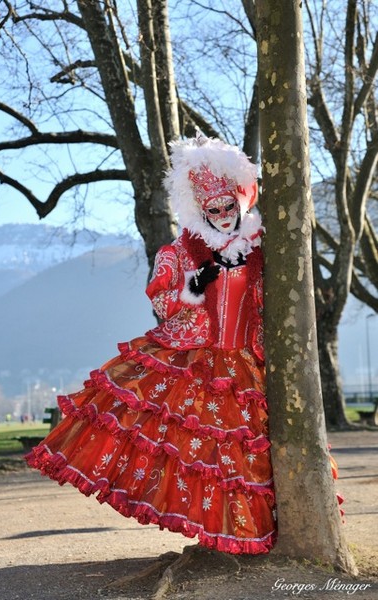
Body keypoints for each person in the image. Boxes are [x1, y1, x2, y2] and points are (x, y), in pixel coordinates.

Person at [26, 134, 277, 555]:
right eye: (211, 209)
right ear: (199, 209)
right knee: (192, 451)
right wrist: (196, 285)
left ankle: (244, 534)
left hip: (244, 367)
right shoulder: (179, 251)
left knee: (239, 454)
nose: (220, 215)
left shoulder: (260, 250)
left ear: (239, 201)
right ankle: (216, 536)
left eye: (227, 206)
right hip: (196, 360)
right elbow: (163, 301)